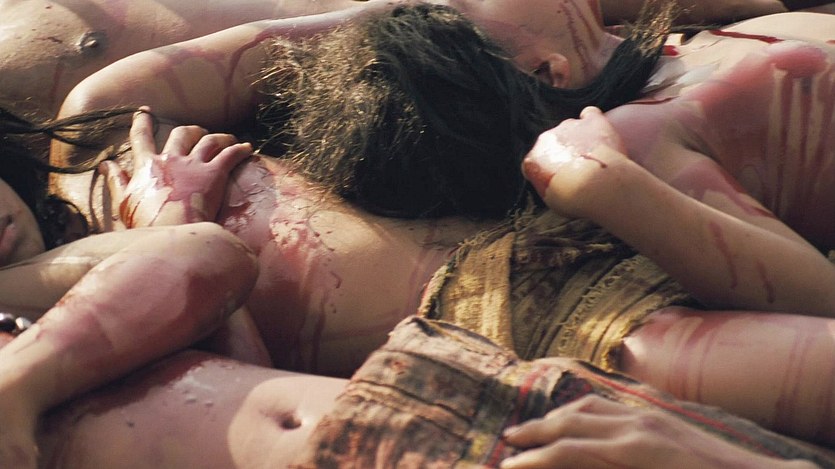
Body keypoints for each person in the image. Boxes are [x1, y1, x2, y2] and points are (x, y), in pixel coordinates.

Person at [34, 0, 835, 465]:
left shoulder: (654, 77)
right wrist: (165, 237)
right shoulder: (632, 135)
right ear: (543, 72)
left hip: (531, 278)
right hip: (544, 312)